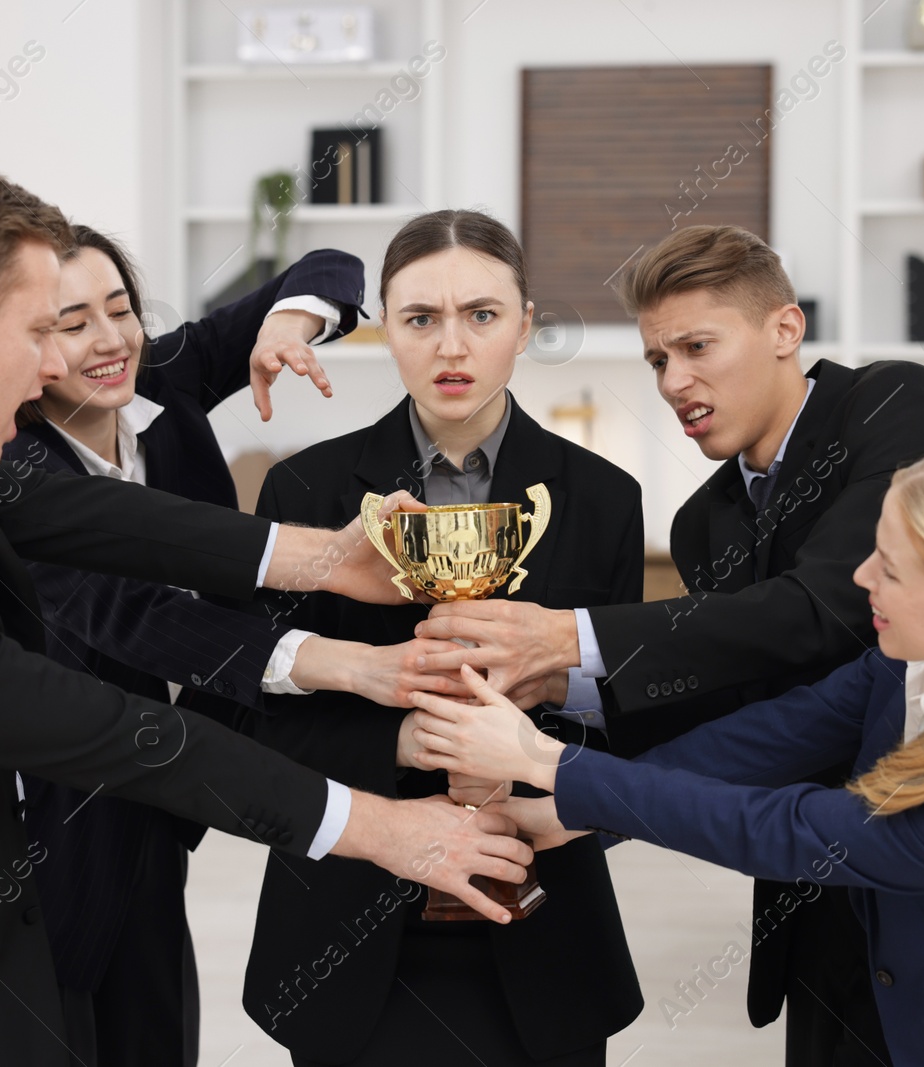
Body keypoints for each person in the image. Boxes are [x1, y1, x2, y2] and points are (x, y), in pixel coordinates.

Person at [0, 165, 533, 1067]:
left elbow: (70, 513)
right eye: (38, 331)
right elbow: (106, 729)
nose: (57, 366)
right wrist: (384, 828)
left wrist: (322, 556)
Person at [413, 224, 924, 1063]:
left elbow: (825, 609)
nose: (676, 382)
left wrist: (566, 635)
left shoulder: (897, 405)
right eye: (656, 360)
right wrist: (547, 691)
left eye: (697, 346)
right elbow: (727, 699)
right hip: (813, 900)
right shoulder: (702, 521)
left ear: (784, 330)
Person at [411, 442, 924, 1066]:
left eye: (890, 570)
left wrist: (546, 760)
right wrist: (582, 812)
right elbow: (787, 729)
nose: (861, 578)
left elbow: (791, 829)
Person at [2, 224, 467, 1065]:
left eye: (120, 308)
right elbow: (133, 618)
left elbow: (330, 265)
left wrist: (290, 323)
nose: (110, 339)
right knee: (60, 1018)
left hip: (166, 787)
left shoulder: (163, 379)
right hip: (61, 810)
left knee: (155, 1022)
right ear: (28, 347)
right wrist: (347, 662)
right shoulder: (11, 470)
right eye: (73, 323)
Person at [235, 209, 647, 1066]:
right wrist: (399, 735)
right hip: (345, 932)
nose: (451, 346)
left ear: (526, 324)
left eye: (483, 315)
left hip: (543, 931)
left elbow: (628, 718)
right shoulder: (305, 489)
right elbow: (256, 718)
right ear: (386, 328)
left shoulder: (603, 497)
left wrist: (531, 759)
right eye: (421, 318)